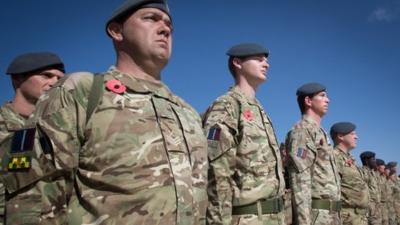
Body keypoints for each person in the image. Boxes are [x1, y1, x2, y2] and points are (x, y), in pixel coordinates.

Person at [31, 0, 208, 224]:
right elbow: (37, 197)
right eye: (151, 18)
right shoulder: (83, 92)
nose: (165, 29)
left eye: (169, 25)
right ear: (116, 31)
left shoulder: (187, 112)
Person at [203, 43, 285, 225]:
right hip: (247, 219)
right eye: (259, 59)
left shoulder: (259, 110)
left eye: (267, 60)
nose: (267, 64)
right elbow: (216, 173)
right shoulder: (227, 105)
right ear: (238, 62)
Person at [0, 52, 65, 224]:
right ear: (17, 79)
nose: (55, 82)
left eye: (59, 78)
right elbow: (14, 171)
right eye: (47, 75)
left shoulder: (61, 124)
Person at [285, 82, 341, 225]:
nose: (328, 100)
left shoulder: (319, 132)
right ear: (308, 101)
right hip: (316, 216)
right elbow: (300, 181)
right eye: (322, 96)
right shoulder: (302, 131)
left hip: (330, 215)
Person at [330, 122, 369, 225]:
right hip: (346, 218)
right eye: (352, 134)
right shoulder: (333, 157)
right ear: (340, 136)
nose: (356, 137)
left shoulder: (351, 159)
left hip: (359, 217)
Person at [359, 151, 381, 225]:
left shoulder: (372, 173)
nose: (375, 161)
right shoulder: (363, 172)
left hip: (376, 207)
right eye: (373, 159)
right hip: (370, 208)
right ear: (366, 160)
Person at [376, 159, 389, 225]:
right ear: (377, 166)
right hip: (377, 206)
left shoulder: (383, 177)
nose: (384, 167)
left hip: (384, 205)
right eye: (382, 165)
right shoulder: (375, 176)